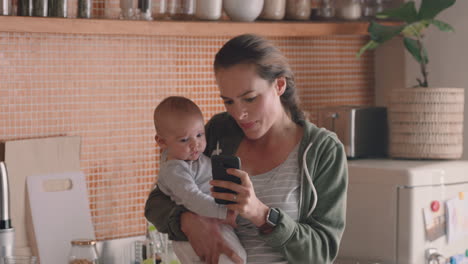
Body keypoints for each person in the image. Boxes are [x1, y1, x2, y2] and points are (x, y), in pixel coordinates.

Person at [145, 34, 348, 264]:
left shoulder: (322, 150)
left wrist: (261, 214)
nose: (239, 113)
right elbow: (156, 202)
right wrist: (188, 221)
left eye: (250, 98)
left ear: (279, 85)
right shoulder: (217, 133)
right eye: (229, 101)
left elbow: (321, 253)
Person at [152, 96, 246, 264]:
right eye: (184, 139)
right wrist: (224, 213)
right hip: (192, 235)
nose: (195, 144)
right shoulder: (175, 169)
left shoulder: (196, 159)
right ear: (162, 141)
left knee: (239, 257)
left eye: (199, 135)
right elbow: (192, 198)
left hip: (210, 221)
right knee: (231, 259)